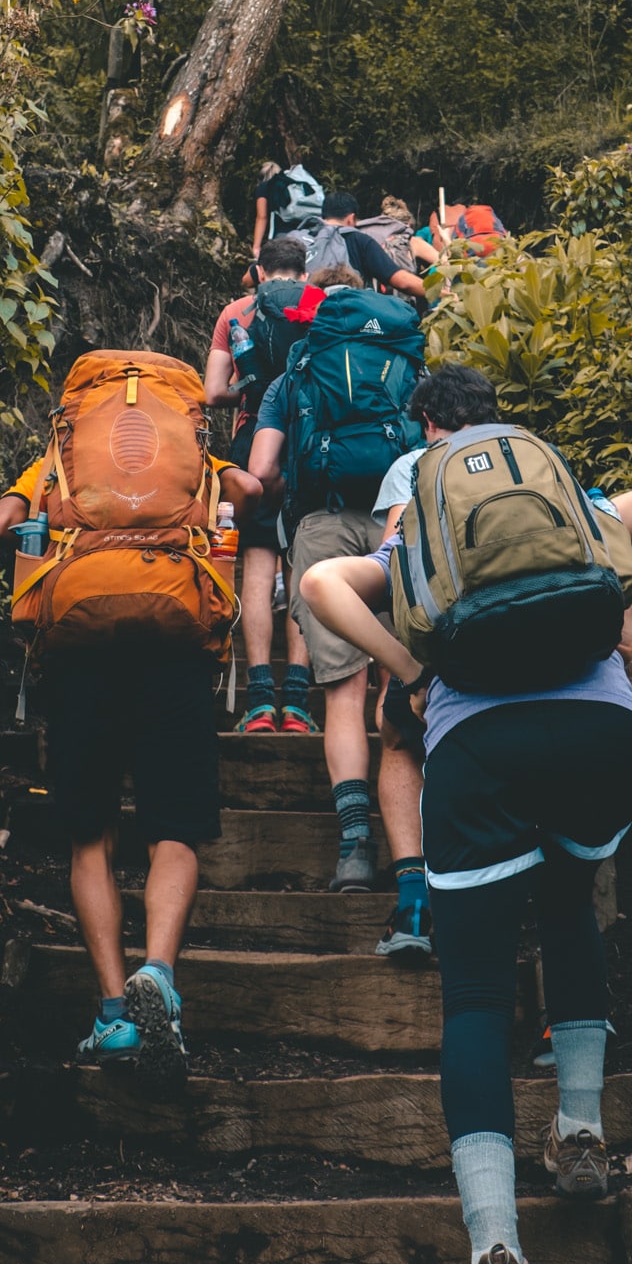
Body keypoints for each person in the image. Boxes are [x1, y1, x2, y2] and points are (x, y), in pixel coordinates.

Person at [297, 390, 632, 1264]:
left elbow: (319, 591)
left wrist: (412, 671)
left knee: (473, 994)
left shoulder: (425, 514)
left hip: (478, 745)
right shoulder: (565, 497)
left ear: (431, 441)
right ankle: (584, 1130)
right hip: (600, 730)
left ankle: (497, 1261)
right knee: (571, 915)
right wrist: (631, 621)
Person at [0, 405, 263, 1088]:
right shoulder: (190, 451)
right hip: (174, 646)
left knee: (90, 835)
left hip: (79, 652)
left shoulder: (62, 454)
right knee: (176, 828)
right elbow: (250, 493)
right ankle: (158, 974)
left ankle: (112, 1014)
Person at [249, 279, 425, 892]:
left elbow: (263, 470)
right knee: (395, 675)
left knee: (343, 693)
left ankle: (355, 840)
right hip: (399, 521)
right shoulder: (403, 364)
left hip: (321, 529)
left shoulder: (292, 376)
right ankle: (414, 833)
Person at [369, 364, 501, 962]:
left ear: (427, 420)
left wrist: (401, 666)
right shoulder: (529, 454)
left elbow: (394, 563)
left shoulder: (416, 465)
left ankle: (414, 898)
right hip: (528, 639)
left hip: (447, 647)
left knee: (397, 736)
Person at [204, 236, 316, 734]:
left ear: (259, 270)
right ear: (304, 273)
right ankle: (297, 703)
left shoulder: (235, 311)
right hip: (312, 443)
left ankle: (259, 702)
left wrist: (250, 389)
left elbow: (212, 392)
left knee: (258, 561)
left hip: (254, 445)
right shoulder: (319, 306)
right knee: (304, 563)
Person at [304, 191, 427, 300]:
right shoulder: (358, 240)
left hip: (302, 315)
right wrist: (439, 292)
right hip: (345, 316)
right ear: (351, 219)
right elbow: (402, 282)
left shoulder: (302, 238)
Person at [252, 159, 323, 257]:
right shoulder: (294, 184)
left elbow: (262, 216)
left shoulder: (264, 187)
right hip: (308, 234)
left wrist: (256, 247)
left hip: (283, 235)